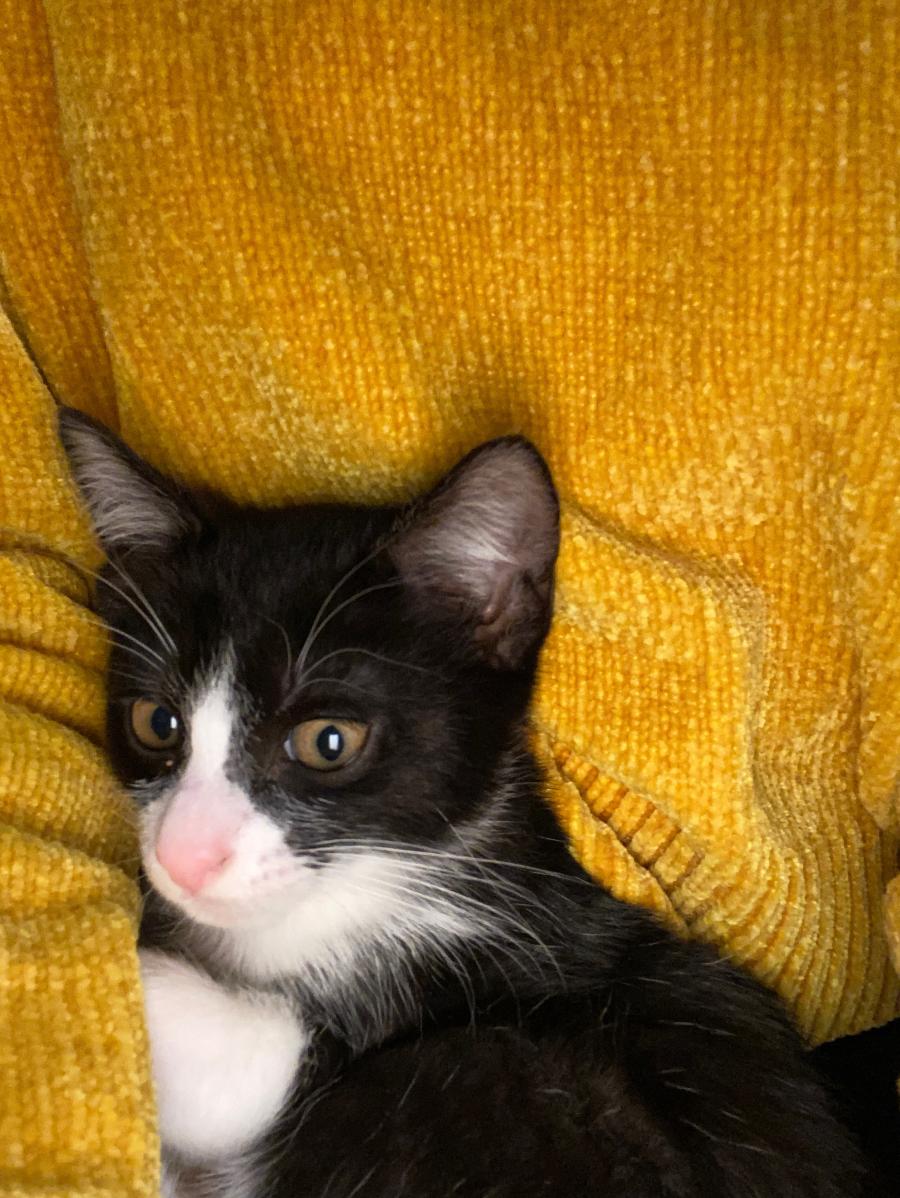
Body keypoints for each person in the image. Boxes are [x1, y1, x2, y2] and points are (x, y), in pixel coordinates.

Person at [0, 2, 897, 1193]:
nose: (189, 847)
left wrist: (253, 1083)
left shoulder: (546, 999)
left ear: (490, 623)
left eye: (323, 741)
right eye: (162, 728)